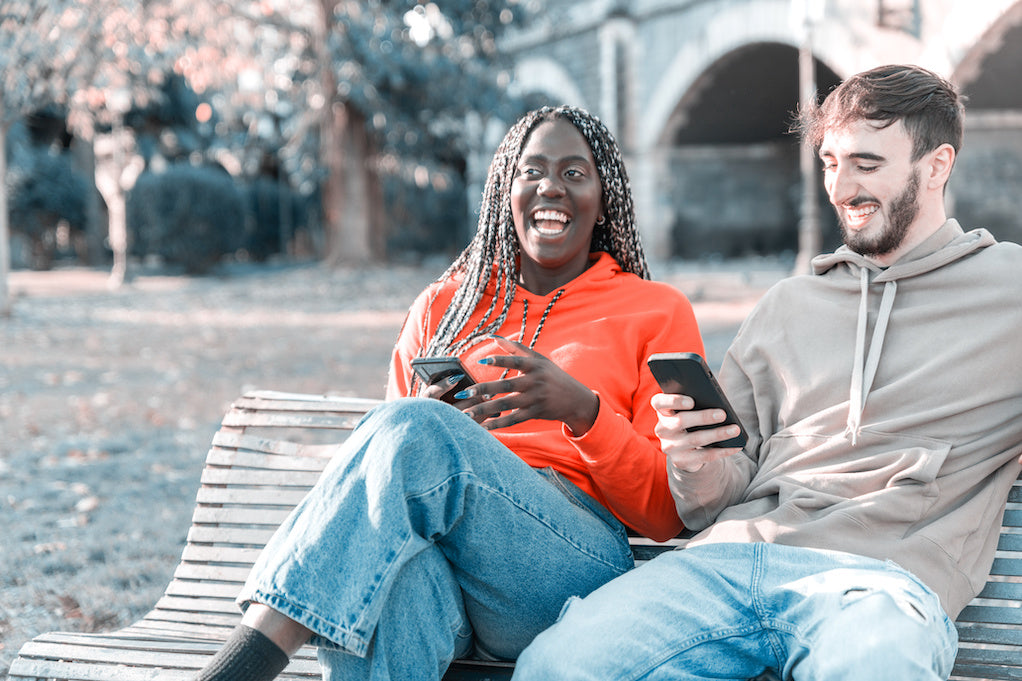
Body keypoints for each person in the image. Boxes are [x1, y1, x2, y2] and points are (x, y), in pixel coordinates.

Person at [512, 65, 1022, 680]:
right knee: (557, 665)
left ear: (937, 165)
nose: (841, 188)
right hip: (727, 563)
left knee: (876, 664)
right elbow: (713, 499)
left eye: (866, 164)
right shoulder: (787, 306)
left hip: (875, 586)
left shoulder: (1009, 291)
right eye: (831, 163)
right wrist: (693, 460)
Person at [194, 105, 705, 681]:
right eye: (531, 170)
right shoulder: (445, 305)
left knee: (414, 431)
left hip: (568, 568)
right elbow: (380, 480)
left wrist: (583, 413)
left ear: (604, 197)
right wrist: (433, 426)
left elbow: (666, 514)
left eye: (574, 173)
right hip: (443, 565)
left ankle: (242, 664)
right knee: (394, 590)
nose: (550, 188)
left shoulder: (656, 310)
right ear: (502, 192)